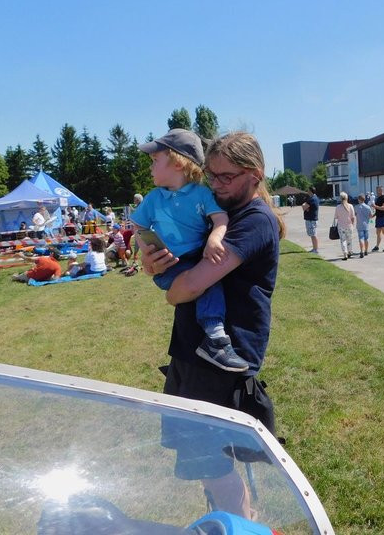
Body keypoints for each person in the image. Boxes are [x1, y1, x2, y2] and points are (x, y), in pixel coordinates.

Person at [138, 131, 286, 519]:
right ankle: (232, 522)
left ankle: (242, 525)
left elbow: (189, 286)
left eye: (226, 177)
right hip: (193, 349)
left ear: (254, 175)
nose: (216, 186)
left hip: (223, 358)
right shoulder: (216, 211)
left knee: (213, 464)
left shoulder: (253, 220)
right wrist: (153, 262)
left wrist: (171, 289)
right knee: (204, 463)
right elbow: (175, 263)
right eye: (212, 175)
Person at [132, 128, 247, 373]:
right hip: (169, 264)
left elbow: (220, 219)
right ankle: (215, 339)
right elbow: (138, 225)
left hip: (195, 257)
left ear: (177, 163)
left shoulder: (202, 194)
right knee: (207, 284)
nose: (150, 167)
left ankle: (186, 359)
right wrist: (146, 251)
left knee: (201, 285)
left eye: (155, 161)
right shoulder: (153, 199)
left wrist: (215, 240)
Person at [333, 191, 356, 260]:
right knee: (349, 240)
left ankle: (345, 253)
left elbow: (336, 217)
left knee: (343, 240)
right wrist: (353, 224)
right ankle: (349, 251)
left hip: (341, 226)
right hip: (349, 226)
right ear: (347, 198)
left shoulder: (338, 207)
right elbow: (353, 217)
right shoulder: (350, 206)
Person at [371, 186, 384, 252]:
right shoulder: (377, 198)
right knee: (378, 233)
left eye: (380, 190)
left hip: (383, 217)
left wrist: (375, 206)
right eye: (377, 190)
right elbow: (377, 210)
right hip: (378, 217)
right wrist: (373, 215)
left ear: (382, 190)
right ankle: (377, 246)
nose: (378, 191)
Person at [301, 185, 320, 253]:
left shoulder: (312, 199)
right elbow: (305, 207)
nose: (307, 191)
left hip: (311, 219)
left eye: (308, 190)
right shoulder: (312, 198)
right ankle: (314, 248)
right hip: (310, 219)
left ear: (311, 191)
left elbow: (303, 207)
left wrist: (305, 206)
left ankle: (316, 249)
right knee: (312, 234)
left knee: (314, 234)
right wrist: (306, 207)